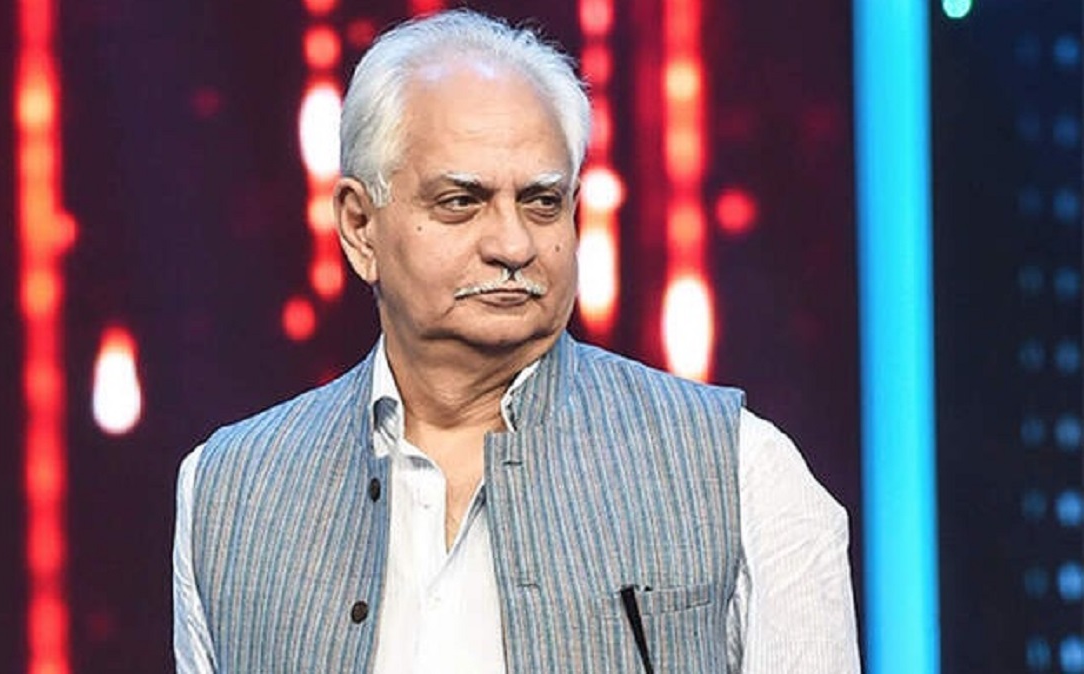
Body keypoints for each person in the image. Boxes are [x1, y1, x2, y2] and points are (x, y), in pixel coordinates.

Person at [173, 9, 860, 673]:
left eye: (541, 202)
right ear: (359, 227)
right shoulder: (228, 492)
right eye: (460, 202)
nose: (513, 244)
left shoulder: (739, 468)